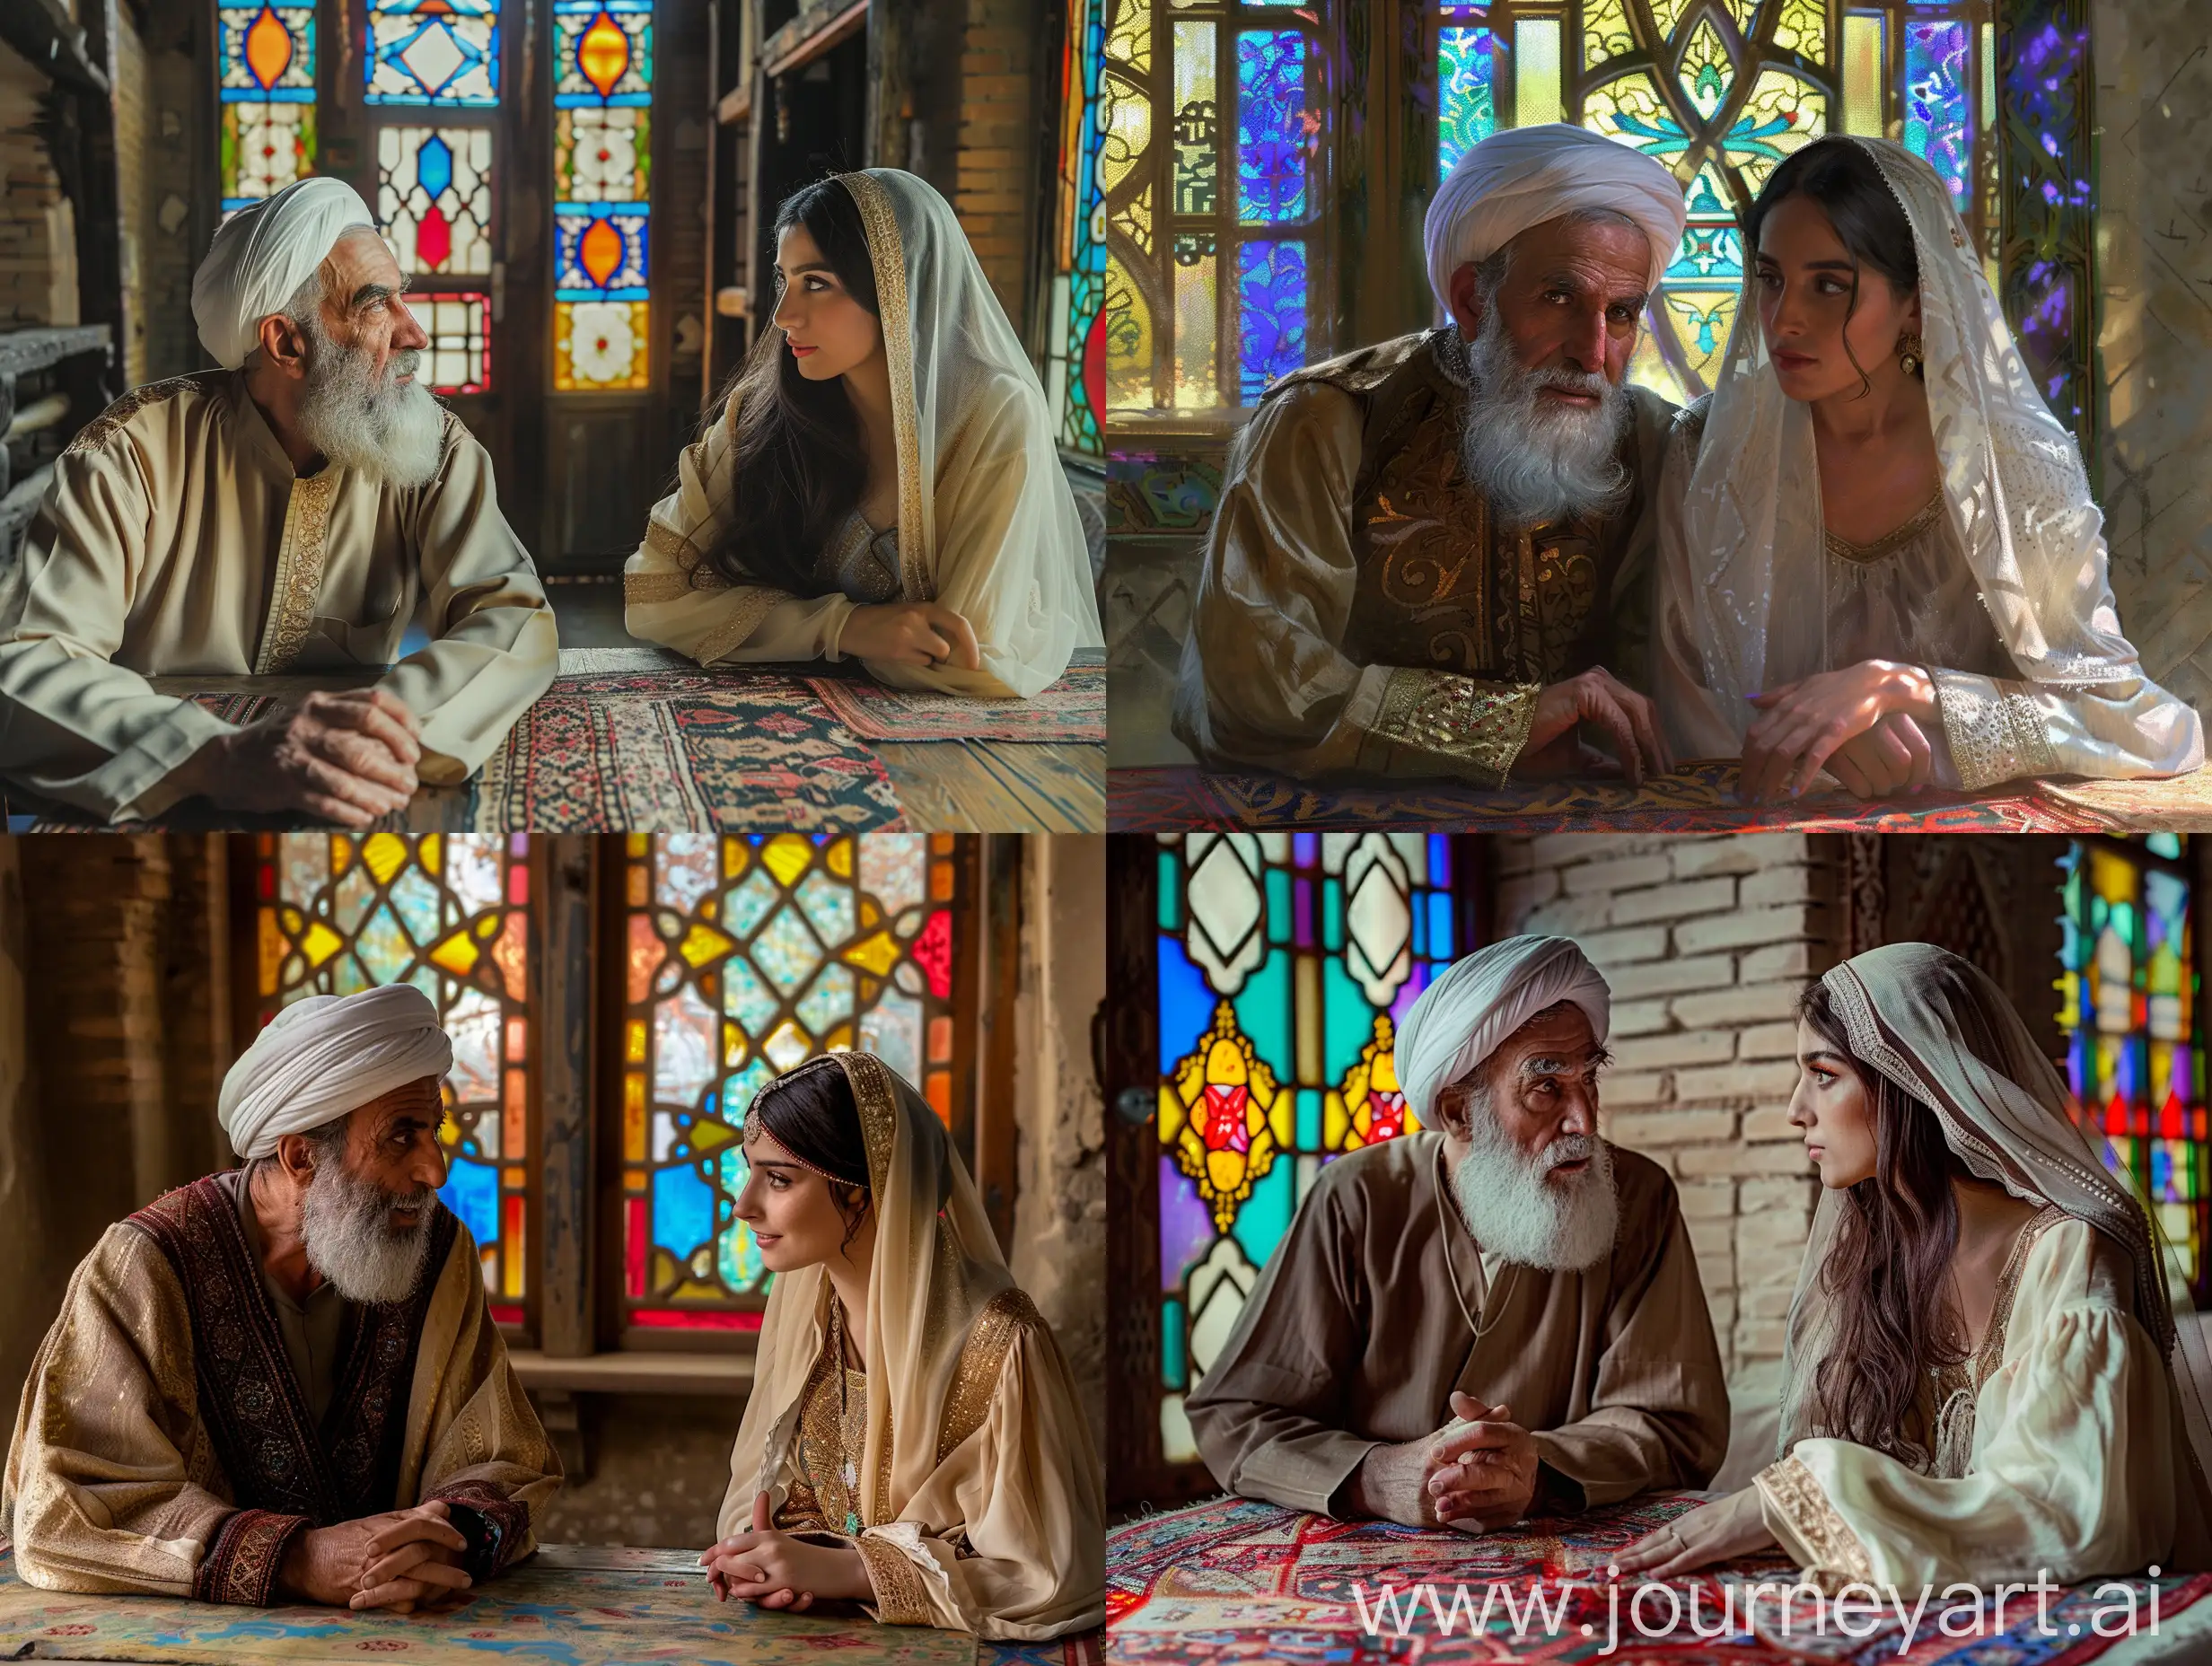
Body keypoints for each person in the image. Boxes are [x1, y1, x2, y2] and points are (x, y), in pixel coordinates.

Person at [1616, 943, 2212, 1589]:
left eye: (1823, 1074)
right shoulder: (1873, 1257)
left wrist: (1805, 1497)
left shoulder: (2068, 1253)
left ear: (1915, 1078)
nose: (1796, 1110)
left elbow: (2069, 1516)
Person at [1655, 136, 2201, 803]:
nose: (1784, 318)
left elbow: (2146, 726)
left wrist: (1918, 693)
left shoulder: (2014, 473)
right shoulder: (1708, 455)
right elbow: (1688, 712)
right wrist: (1811, 755)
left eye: (1829, 285)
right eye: (1771, 279)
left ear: (1917, 299)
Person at [0, 177, 558, 827]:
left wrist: (389, 725)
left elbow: (513, 614)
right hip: (172, 802)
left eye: (403, 297)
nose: (415, 333)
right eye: (377, 305)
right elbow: (23, 661)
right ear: (286, 343)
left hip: (346, 800)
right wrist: (216, 757)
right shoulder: (130, 453)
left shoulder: (433, 447)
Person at [4, 984, 560, 1608]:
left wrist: (444, 1533)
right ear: (301, 1157)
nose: (435, 1170)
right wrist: (297, 1559)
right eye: (402, 1136)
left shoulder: (436, 1251)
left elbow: (497, 1452)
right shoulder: (147, 1266)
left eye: (435, 1130)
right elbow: (67, 1508)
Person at [1170, 124, 1690, 786]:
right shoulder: (1325, 419)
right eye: (1560, 298)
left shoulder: (1650, 437)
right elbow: (1256, 680)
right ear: (1473, 299)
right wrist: (1497, 726)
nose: (1592, 352)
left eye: (1621, 314)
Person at [1184, 936, 1728, 1526]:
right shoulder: (1356, 1197)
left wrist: (1538, 1469)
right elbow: (1238, 1413)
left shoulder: (1636, 1197)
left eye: (1589, 1079)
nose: (1585, 1120)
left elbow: (1673, 1421)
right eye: (1547, 1086)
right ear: (1456, 1111)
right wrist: (1374, 1475)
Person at [625, 170, 1102, 698]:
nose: (784, 315)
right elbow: (654, 593)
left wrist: (763, 627)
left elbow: (966, 658)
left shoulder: (995, 417)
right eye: (784, 280)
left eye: (816, 283)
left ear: (897, 286)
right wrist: (844, 628)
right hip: (779, 732)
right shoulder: (758, 414)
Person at [697, 1051, 1102, 1638]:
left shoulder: (1000, 1345)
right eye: (750, 1172)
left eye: (779, 1179)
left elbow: (1048, 1574)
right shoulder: (811, 1319)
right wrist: (777, 1556)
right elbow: (800, 1497)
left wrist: (849, 1571)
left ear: (863, 1190)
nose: (744, 1204)